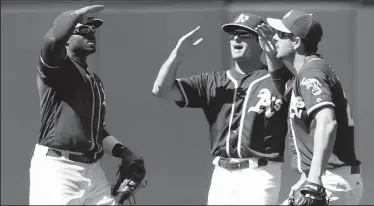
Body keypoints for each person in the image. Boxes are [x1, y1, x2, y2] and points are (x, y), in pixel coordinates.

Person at [152, 13, 289, 205]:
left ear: (261, 41)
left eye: (244, 34)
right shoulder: (213, 81)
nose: (235, 38)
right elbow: (161, 90)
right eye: (233, 33)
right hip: (222, 174)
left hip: (260, 173)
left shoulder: (278, 80)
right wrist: (177, 56)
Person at [30, 5, 146, 205]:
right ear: (67, 39)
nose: (90, 33)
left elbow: (94, 130)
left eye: (92, 30)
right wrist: (73, 16)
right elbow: (51, 40)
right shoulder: (57, 69)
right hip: (58, 169)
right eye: (83, 30)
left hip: (93, 171)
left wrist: (124, 152)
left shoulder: (93, 80)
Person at [256, 10, 364, 205]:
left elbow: (327, 123)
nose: (275, 38)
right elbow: (287, 90)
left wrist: (314, 180)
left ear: (296, 42)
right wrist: (272, 57)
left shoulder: (311, 73)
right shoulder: (307, 72)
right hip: (330, 178)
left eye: (281, 34)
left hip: (329, 179)